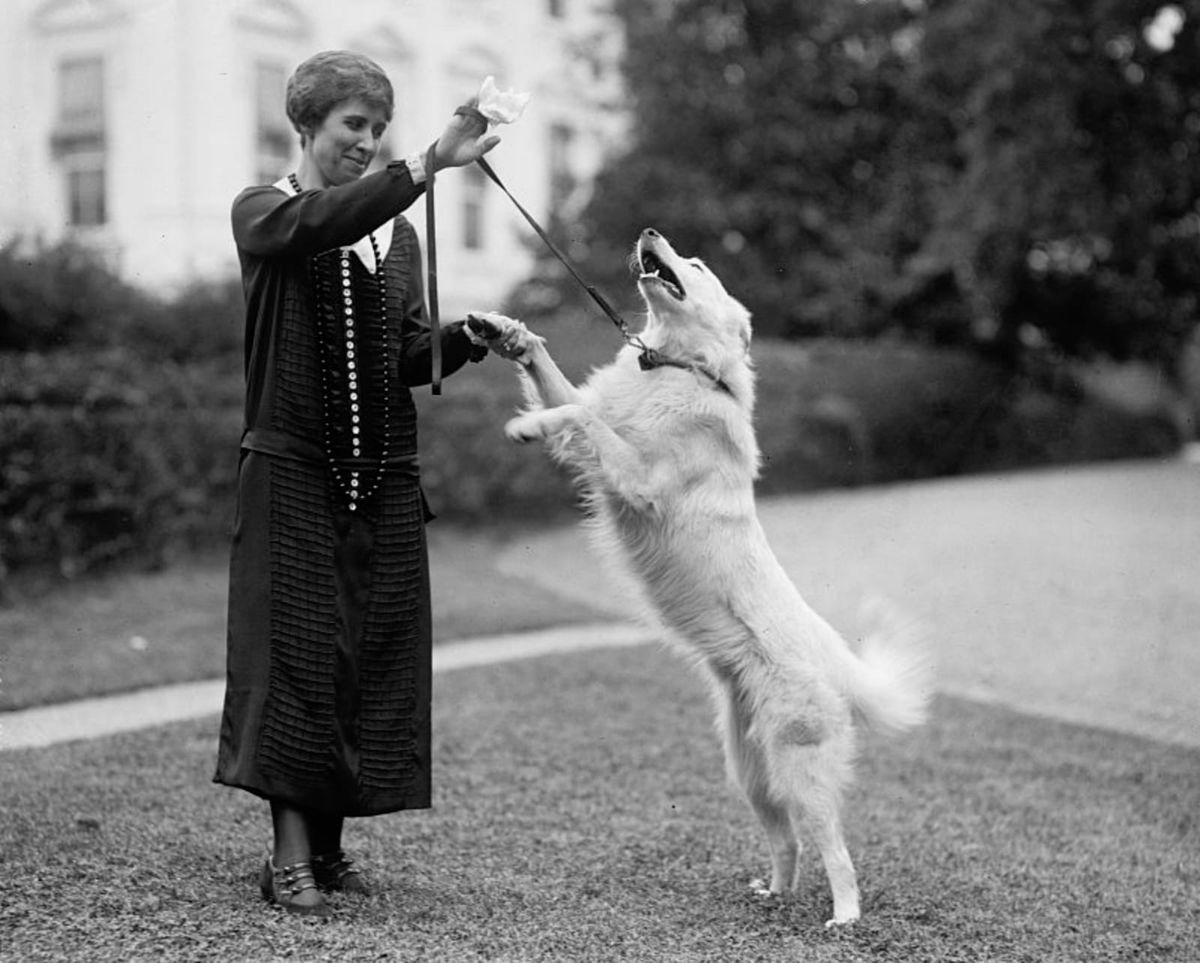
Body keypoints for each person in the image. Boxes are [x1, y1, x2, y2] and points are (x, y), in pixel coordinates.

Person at [213, 50, 514, 917]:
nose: (367, 141)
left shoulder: (402, 235)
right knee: (295, 657)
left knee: (367, 661)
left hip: (381, 477)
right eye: (353, 126)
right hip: (291, 470)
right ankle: (291, 854)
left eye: (377, 128)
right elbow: (322, 225)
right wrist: (421, 164)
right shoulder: (264, 211)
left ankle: (330, 848)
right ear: (305, 127)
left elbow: (405, 359)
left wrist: (465, 338)